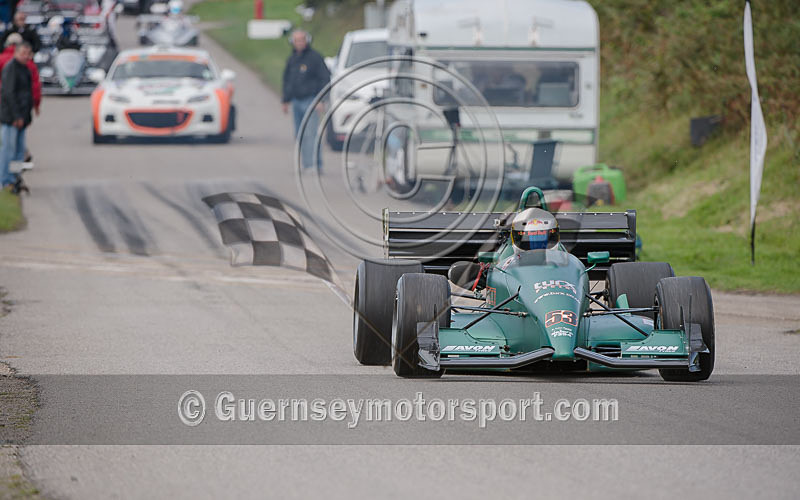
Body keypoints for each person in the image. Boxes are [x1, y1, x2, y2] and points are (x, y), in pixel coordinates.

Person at [281, 29, 330, 170]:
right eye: (296, 40)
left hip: (312, 101)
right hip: (296, 101)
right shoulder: (292, 59)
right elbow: (287, 80)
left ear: (307, 40)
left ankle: (315, 164)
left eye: (301, 40)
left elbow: (325, 79)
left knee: (311, 134)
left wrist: (321, 100)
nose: (299, 43)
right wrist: (285, 100)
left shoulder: (315, 58)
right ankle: (306, 163)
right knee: (299, 134)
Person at [0, 42, 33, 188]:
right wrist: (16, 116)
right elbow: (9, 94)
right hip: (11, 117)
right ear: (16, 53)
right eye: (23, 53)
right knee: (8, 149)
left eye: (28, 53)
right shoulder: (11, 68)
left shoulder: (25, 69)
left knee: (19, 152)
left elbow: (27, 94)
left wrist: (26, 116)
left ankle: (15, 177)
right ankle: (5, 179)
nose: (25, 56)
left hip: (22, 117)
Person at [0, 33, 41, 116]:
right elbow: (35, 85)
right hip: (20, 103)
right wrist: (36, 103)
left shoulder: (1, 59)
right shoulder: (28, 62)